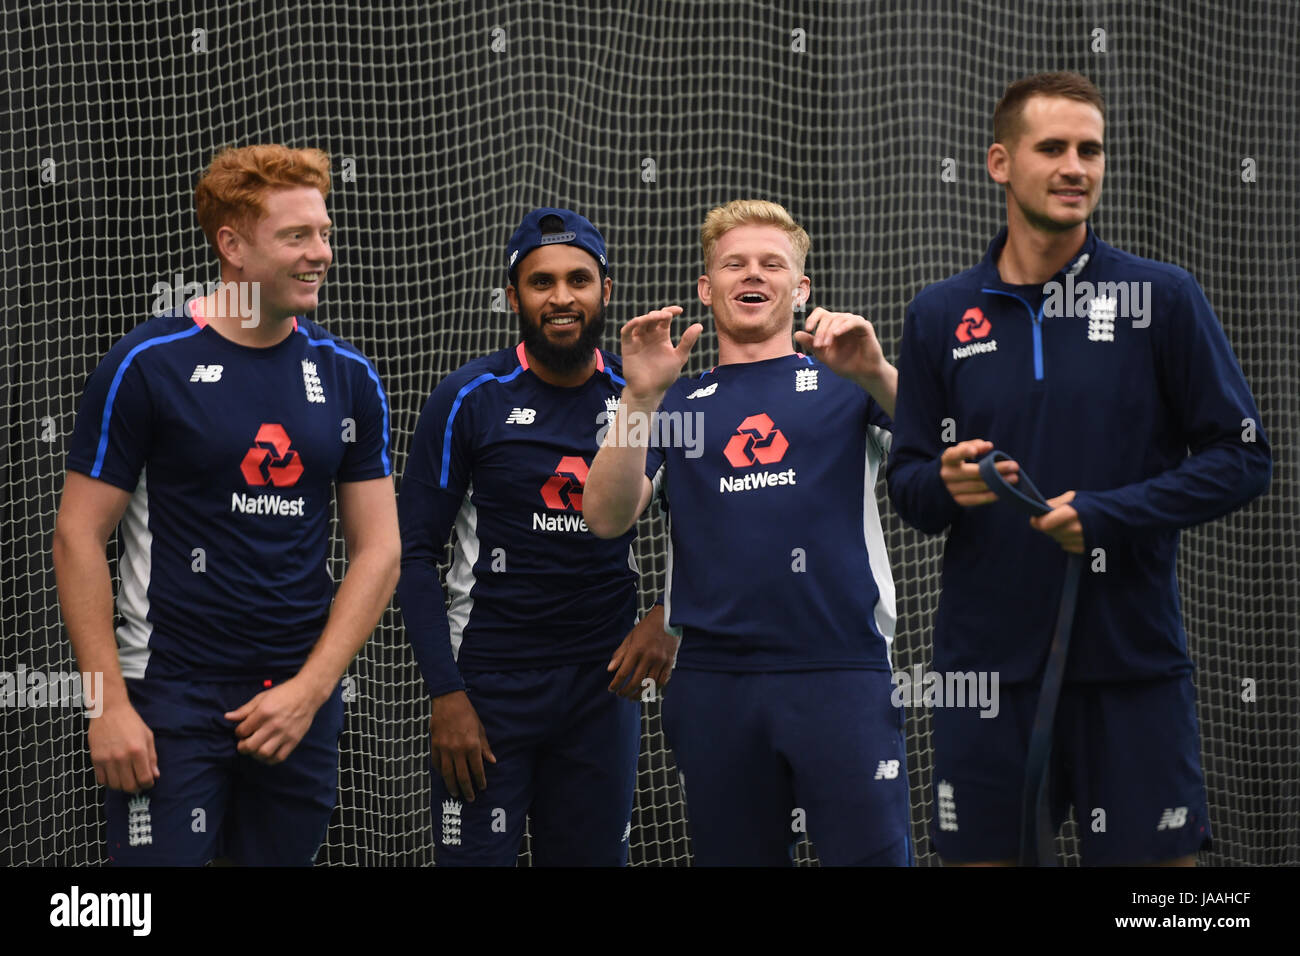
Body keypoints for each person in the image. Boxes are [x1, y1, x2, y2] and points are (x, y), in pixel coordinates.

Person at [886, 71, 1271, 866]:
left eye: (1090, 150)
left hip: (1131, 664)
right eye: (1053, 147)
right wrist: (947, 483)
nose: (1076, 167)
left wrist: (1109, 512)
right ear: (999, 162)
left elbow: (1243, 456)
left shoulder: (1162, 297)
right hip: (984, 675)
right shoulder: (936, 314)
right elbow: (911, 488)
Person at [52, 144, 400, 865]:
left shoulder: (349, 377)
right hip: (167, 696)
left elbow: (381, 550)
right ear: (232, 246)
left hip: (296, 705)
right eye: (297, 236)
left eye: (325, 233)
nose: (321, 254)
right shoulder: (148, 363)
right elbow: (77, 537)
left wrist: (309, 690)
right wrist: (105, 703)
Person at [583, 199, 911, 866]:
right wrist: (638, 399)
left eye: (772, 263)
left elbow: (953, 442)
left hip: (840, 672)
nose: (752, 274)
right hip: (714, 683)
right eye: (733, 263)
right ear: (707, 288)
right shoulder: (673, 400)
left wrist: (877, 372)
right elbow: (605, 517)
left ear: (801, 287)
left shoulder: (849, 381)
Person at [397, 207, 674, 866]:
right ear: (514, 295)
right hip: (489, 689)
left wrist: (671, 614)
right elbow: (411, 554)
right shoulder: (470, 398)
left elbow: (706, 526)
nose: (561, 298)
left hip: (601, 691)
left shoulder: (643, 395)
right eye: (541, 281)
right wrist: (446, 692)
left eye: (579, 279)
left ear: (605, 290)